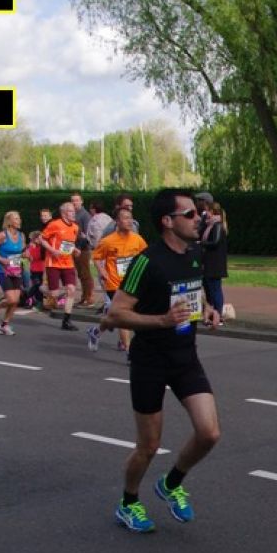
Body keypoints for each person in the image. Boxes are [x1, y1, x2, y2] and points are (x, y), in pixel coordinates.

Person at [106, 189, 220, 533]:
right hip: (150, 361)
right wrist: (162, 321)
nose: (199, 218)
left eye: (198, 212)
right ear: (168, 222)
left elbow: (193, 293)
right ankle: (128, 502)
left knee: (209, 433)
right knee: (149, 446)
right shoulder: (147, 261)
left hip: (185, 357)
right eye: (190, 214)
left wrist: (208, 309)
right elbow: (115, 314)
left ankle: (171, 483)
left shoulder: (195, 253)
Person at [87, 205, 147, 354]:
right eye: (125, 218)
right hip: (114, 284)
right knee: (123, 315)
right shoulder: (108, 241)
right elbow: (96, 257)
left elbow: (145, 258)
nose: (129, 221)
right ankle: (129, 351)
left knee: (117, 317)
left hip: (132, 282)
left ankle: (96, 332)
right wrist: (102, 270)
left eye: (130, 218)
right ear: (117, 222)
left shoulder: (137, 239)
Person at [40, 202, 81, 331]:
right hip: (54, 263)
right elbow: (42, 239)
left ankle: (66, 320)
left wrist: (75, 250)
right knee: (54, 294)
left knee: (71, 289)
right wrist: (52, 250)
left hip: (68, 263)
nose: (74, 213)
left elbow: (69, 244)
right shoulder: (55, 224)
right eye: (71, 211)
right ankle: (40, 288)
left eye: (74, 211)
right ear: (63, 213)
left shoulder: (75, 227)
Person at [0, 211, 27, 336]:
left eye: (19, 218)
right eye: (16, 218)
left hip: (16, 269)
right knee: (10, 299)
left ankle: (4, 325)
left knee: (15, 301)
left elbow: (22, 251)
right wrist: (0, 259)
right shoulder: (3, 235)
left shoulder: (21, 236)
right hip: (3, 270)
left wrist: (25, 254)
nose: (19, 220)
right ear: (9, 222)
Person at [199, 200, 229, 328]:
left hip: (215, 264)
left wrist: (201, 244)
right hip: (208, 263)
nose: (205, 213)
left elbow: (215, 242)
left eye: (207, 211)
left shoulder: (217, 225)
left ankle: (219, 314)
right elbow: (200, 232)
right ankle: (210, 314)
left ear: (212, 211)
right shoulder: (208, 224)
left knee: (215, 289)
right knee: (209, 289)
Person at [70, 193, 97, 308]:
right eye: (72, 200)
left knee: (85, 274)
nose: (74, 202)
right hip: (75, 248)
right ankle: (84, 297)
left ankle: (89, 298)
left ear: (81, 201)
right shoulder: (73, 214)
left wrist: (80, 248)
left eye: (76, 200)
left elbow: (87, 234)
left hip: (83, 249)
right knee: (81, 274)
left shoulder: (85, 215)